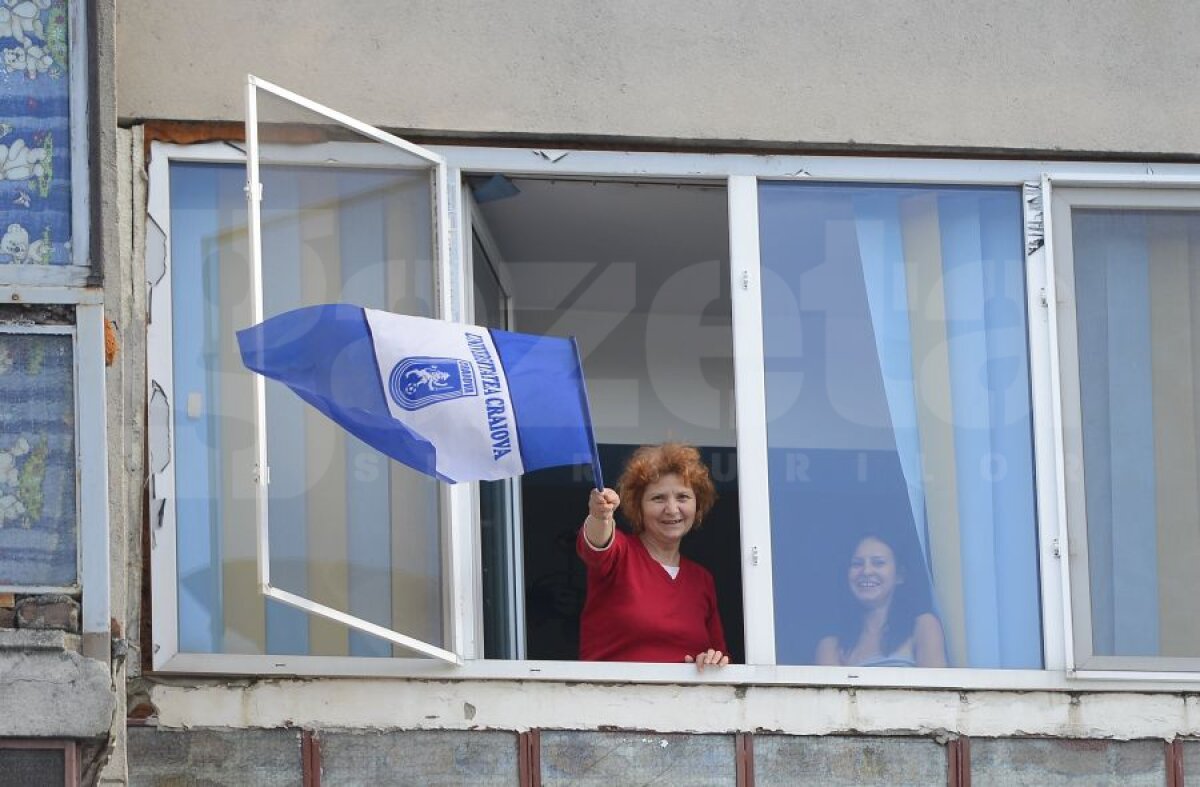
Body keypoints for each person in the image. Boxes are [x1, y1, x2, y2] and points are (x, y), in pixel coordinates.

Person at [577, 443, 729, 670]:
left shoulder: (702, 579)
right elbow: (596, 545)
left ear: (697, 505)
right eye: (658, 498)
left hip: (684, 703)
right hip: (611, 699)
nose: (672, 508)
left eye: (682, 497)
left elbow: (720, 658)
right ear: (638, 507)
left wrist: (710, 661)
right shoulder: (621, 553)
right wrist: (601, 516)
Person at [815, 532, 946, 668]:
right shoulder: (831, 646)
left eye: (878, 563)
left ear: (899, 575)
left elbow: (937, 689)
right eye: (857, 564)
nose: (866, 571)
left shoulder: (923, 626)